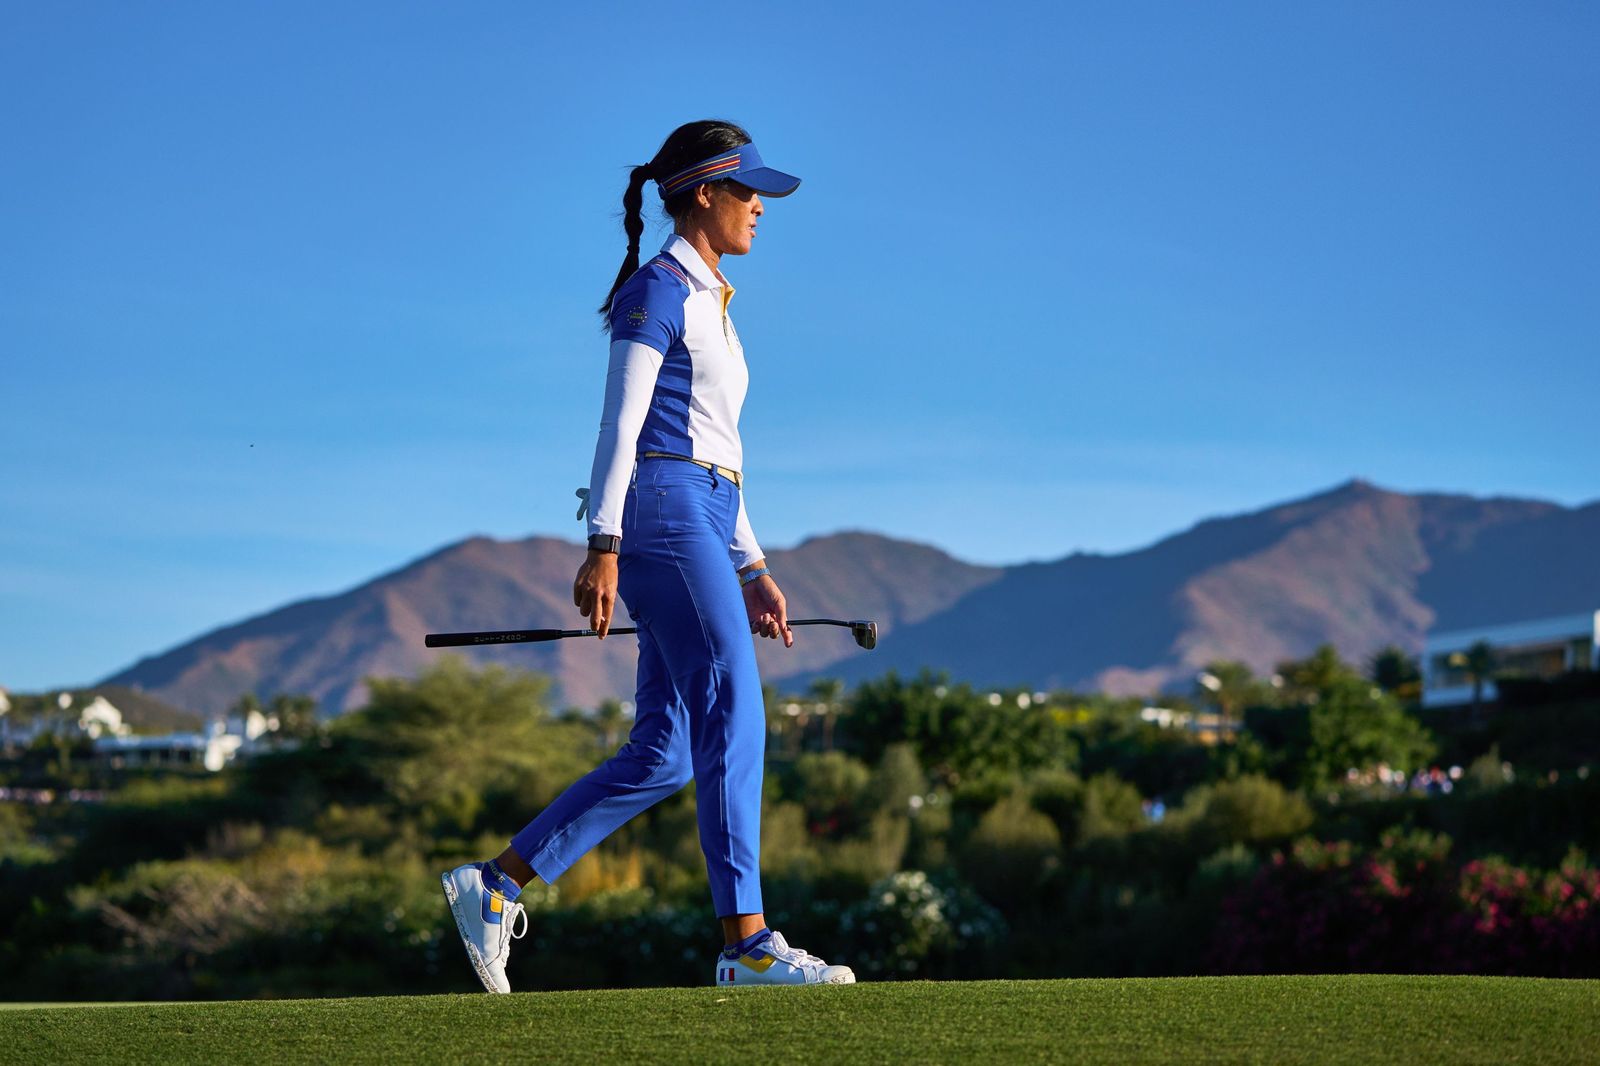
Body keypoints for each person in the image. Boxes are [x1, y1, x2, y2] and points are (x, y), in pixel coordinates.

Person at [440, 120, 855, 993]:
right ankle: (746, 945)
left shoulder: (715, 301)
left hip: (703, 509)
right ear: (705, 193)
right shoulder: (657, 290)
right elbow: (622, 427)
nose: (759, 210)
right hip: (659, 515)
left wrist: (752, 567)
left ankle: (493, 885)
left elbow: (720, 450)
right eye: (749, 193)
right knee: (735, 708)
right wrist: (604, 544)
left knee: (667, 750)